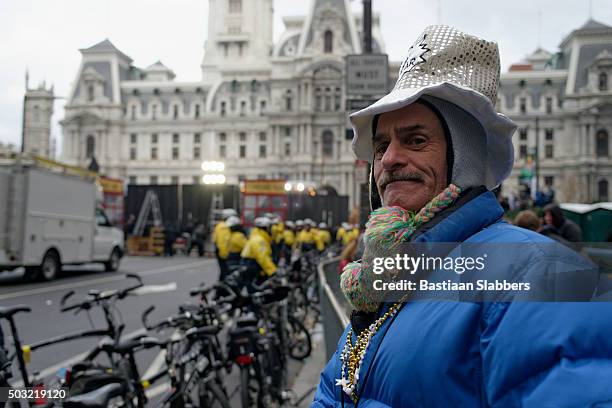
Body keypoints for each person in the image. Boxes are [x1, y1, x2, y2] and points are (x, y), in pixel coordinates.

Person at [313, 25, 611, 407]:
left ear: (464, 160)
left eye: (416, 140)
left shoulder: (537, 273)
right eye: (381, 144)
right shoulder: (384, 278)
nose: (387, 159)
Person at [240, 217, 277, 291]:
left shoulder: (257, 237)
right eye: (270, 228)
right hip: (252, 266)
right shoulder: (258, 240)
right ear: (265, 228)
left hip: (250, 265)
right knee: (255, 290)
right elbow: (263, 257)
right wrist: (272, 271)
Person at [213, 208, 236, 281]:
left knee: (223, 272)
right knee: (225, 272)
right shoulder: (224, 227)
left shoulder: (220, 225)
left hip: (220, 251)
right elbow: (222, 243)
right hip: (223, 252)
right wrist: (225, 255)